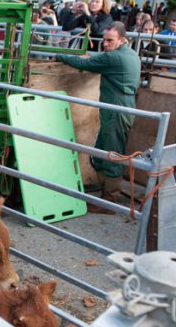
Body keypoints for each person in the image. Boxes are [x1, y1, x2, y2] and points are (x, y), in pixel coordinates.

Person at [55, 22, 140, 214]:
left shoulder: (115, 58)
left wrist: (59, 55)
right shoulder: (130, 54)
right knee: (104, 150)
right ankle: (106, 194)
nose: (105, 44)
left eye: (110, 41)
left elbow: (84, 64)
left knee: (112, 153)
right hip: (121, 107)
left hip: (116, 109)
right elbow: (98, 60)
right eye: (104, 40)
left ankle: (110, 200)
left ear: (122, 40)